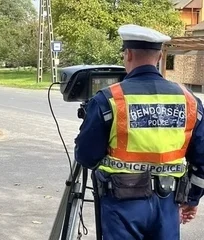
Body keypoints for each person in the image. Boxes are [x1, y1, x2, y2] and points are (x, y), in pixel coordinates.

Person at [74, 24, 204, 240]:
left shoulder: (109, 99)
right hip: (168, 202)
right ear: (160, 56)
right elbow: (202, 159)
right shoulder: (189, 100)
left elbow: (86, 156)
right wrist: (191, 199)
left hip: (121, 205)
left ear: (129, 54)